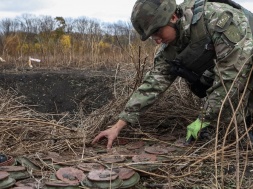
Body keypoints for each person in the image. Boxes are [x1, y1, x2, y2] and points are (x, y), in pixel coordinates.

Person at [93, 0, 253, 149]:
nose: (156, 40)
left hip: (244, 64)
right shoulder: (170, 49)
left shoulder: (217, 18)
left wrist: (203, 119)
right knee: (204, 82)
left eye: (157, 31)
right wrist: (117, 126)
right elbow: (152, 86)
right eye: (152, 36)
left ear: (173, 17)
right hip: (235, 71)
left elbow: (233, 75)